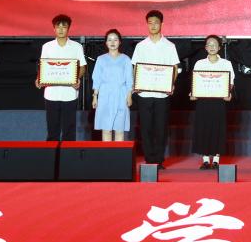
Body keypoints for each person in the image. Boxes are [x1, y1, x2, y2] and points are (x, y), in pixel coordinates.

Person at [130, 9, 180, 169]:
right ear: (147, 24)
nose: (153, 26)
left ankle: (158, 160)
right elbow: (135, 68)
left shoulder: (169, 46)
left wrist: (170, 84)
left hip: (162, 95)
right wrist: (136, 84)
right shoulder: (141, 46)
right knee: (146, 128)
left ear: (162, 24)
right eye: (150, 23)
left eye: (156, 23)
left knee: (161, 128)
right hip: (144, 93)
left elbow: (174, 68)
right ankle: (149, 160)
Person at [37, 14, 86, 142]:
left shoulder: (76, 46)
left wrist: (76, 78)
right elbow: (43, 67)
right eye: (58, 27)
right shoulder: (47, 46)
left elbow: (82, 67)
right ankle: (52, 154)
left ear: (68, 28)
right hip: (51, 94)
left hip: (70, 93)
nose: (60, 29)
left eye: (64, 27)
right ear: (54, 28)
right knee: (52, 130)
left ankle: (68, 155)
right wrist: (39, 79)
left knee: (69, 130)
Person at [190, 35, 234, 170]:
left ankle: (215, 160)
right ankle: (205, 160)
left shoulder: (226, 64)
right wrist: (193, 93)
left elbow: (230, 82)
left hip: (219, 102)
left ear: (219, 47)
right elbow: (196, 81)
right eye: (209, 44)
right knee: (203, 128)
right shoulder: (199, 63)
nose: (212, 47)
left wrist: (228, 93)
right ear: (205, 47)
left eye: (215, 44)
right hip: (203, 101)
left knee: (218, 129)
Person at [91, 29, 133, 142]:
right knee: (106, 129)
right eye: (109, 40)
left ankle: (118, 153)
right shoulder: (101, 59)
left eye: (115, 39)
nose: (112, 42)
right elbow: (97, 78)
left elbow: (129, 79)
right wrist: (95, 96)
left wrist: (129, 95)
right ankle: (106, 153)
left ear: (120, 42)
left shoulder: (126, 59)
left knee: (119, 129)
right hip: (105, 96)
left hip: (121, 95)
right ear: (106, 43)